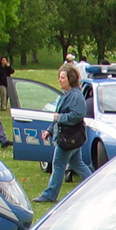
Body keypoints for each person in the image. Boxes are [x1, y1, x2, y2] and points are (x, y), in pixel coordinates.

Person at [32, 65, 93, 204]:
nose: (59, 80)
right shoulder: (66, 94)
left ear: (70, 78)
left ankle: (50, 194)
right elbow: (58, 116)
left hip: (69, 138)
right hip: (68, 137)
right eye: (59, 77)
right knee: (77, 163)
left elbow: (77, 115)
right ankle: (94, 183)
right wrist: (49, 130)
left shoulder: (76, 95)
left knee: (58, 164)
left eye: (62, 77)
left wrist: (58, 118)